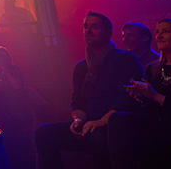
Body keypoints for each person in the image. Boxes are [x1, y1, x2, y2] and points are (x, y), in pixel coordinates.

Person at [34, 11, 142, 169]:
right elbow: (78, 101)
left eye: (95, 27)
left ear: (108, 32)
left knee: (98, 137)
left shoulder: (125, 59)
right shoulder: (81, 67)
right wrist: (78, 120)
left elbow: (127, 99)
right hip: (88, 124)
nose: (88, 31)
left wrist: (100, 121)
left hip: (114, 124)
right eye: (85, 27)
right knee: (44, 133)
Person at [108, 18, 171, 168]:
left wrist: (155, 96)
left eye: (166, 31)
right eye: (157, 32)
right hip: (154, 121)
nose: (159, 36)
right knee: (118, 119)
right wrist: (140, 96)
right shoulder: (153, 68)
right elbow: (149, 104)